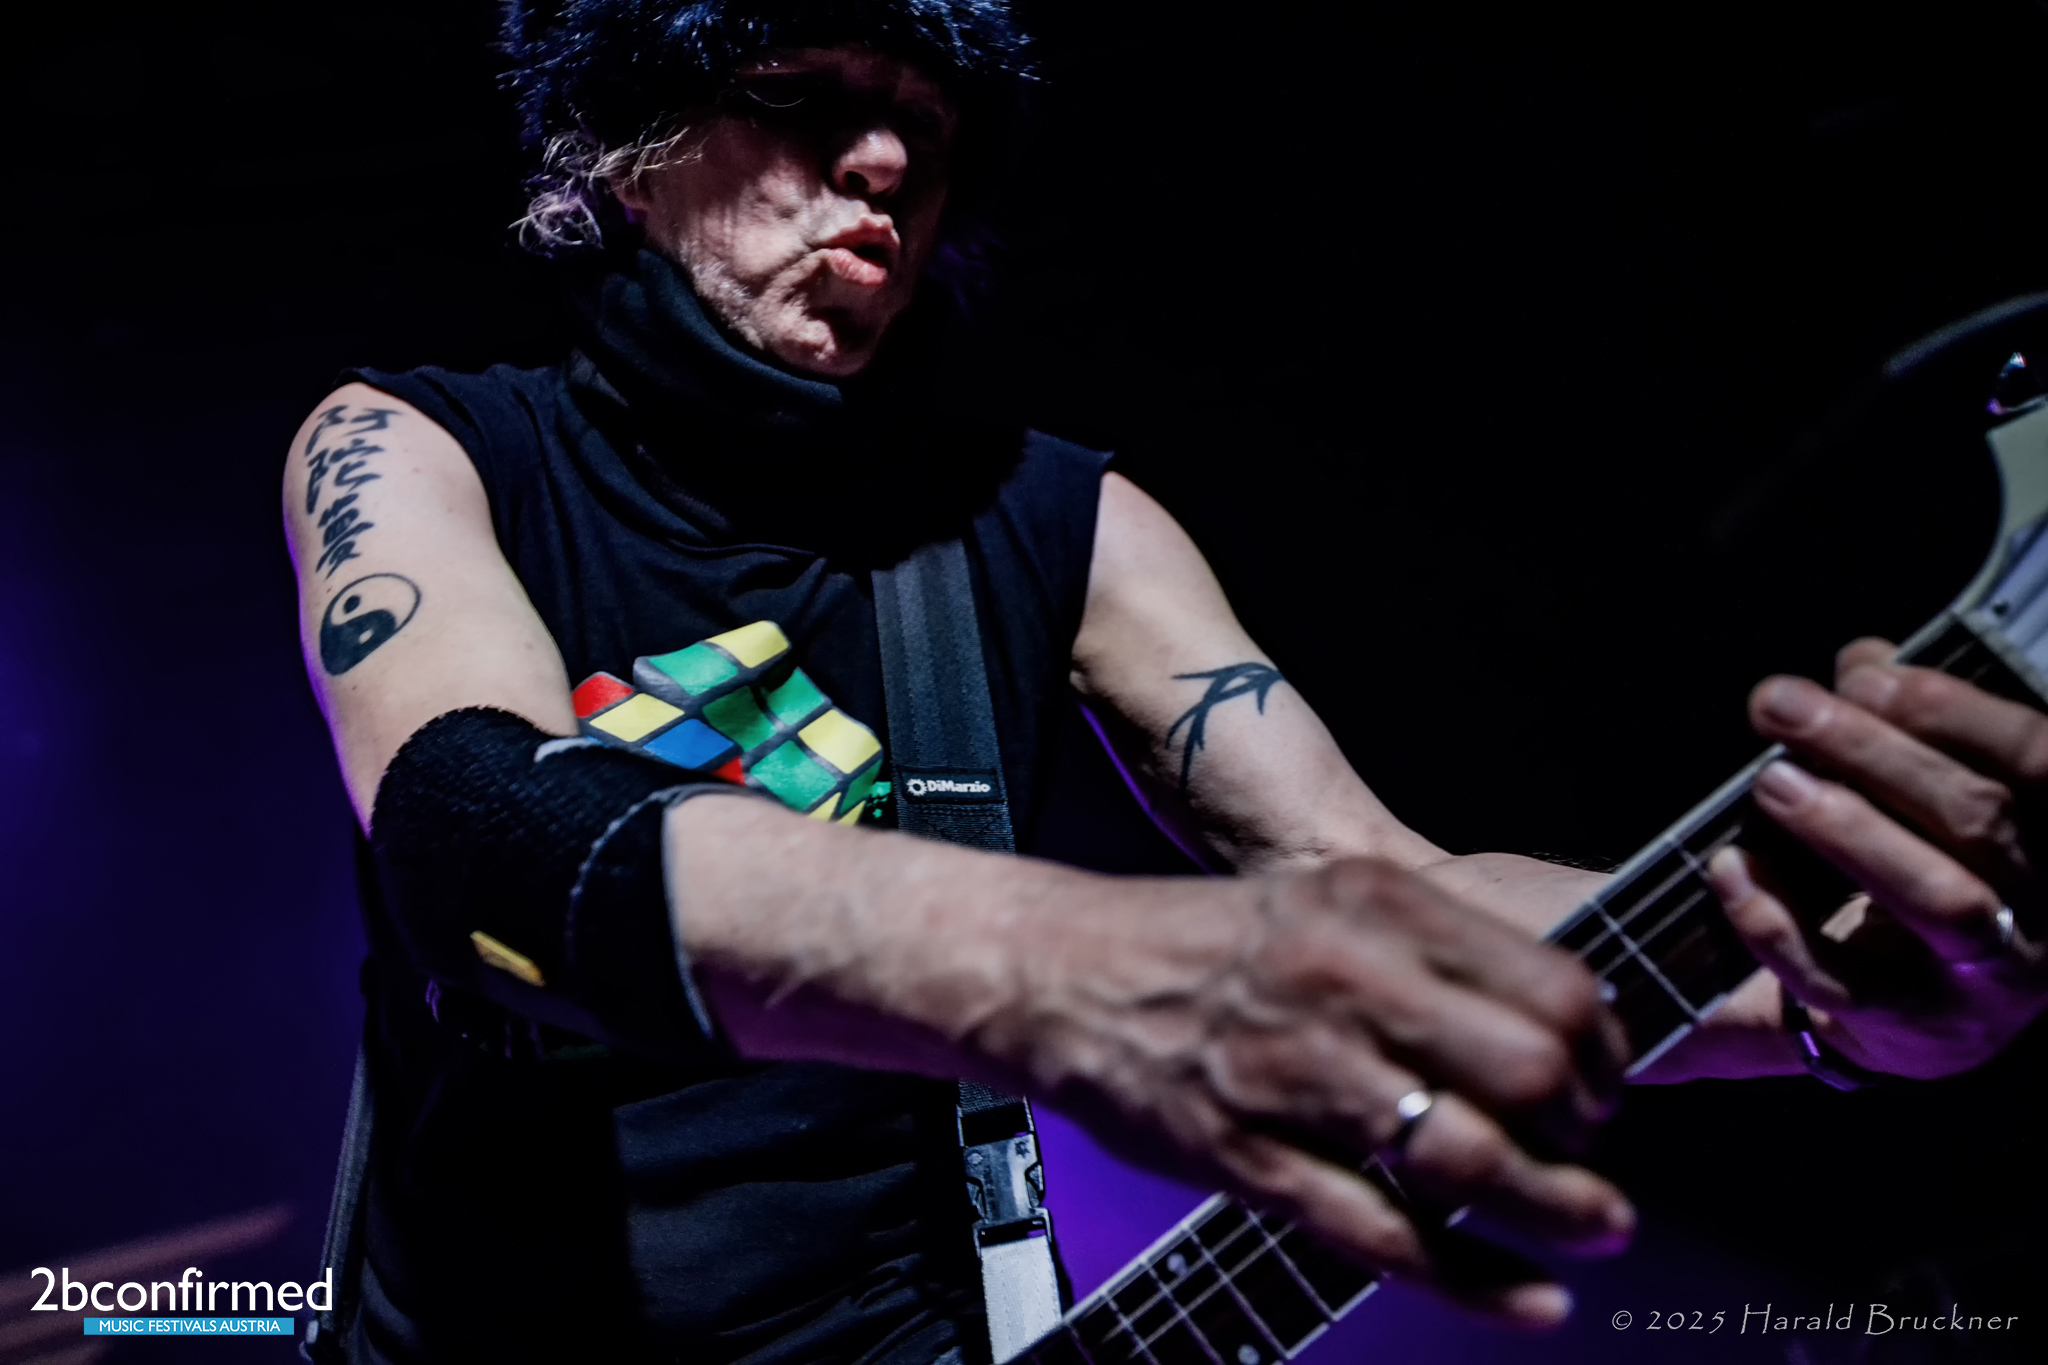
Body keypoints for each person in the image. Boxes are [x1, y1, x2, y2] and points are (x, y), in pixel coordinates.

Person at [281, 3, 2045, 1362]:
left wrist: (1808, 988)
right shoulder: (415, 446)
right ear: (625, 145)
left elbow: (1378, 882)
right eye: (803, 94)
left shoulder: (1049, 517)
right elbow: (475, 832)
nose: (884, 159)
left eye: (926, 126)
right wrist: (1065, 965)